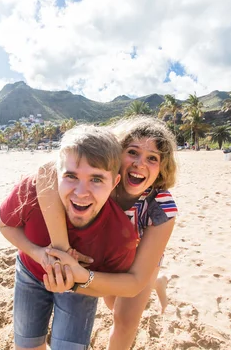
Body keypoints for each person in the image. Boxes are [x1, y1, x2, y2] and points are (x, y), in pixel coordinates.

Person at [38, 116, 178, 350]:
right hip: (107, 253)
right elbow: (47, 169)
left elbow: (132, 282)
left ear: (161, 168)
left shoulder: (161, 206)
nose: (139, 164)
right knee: (112, 303)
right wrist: (62, 250)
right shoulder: (99, 182)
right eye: (132, 152)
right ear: (116, 152)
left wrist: (75, 278)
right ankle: (155, 283)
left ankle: (153, 280)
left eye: (152, 158)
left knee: (125, 320)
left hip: (139, 260)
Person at [0, 125, 138, 350]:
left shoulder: (119, 236)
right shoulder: (33, 190)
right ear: (57, 173)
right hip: (30, 273)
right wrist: (38, 253)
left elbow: (108, 287)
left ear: (114, 183)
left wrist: (78, 279)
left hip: (81, 287)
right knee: (26, 345)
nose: (81, 192)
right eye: (71, 176)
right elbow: (5, 225)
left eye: (96, 179)